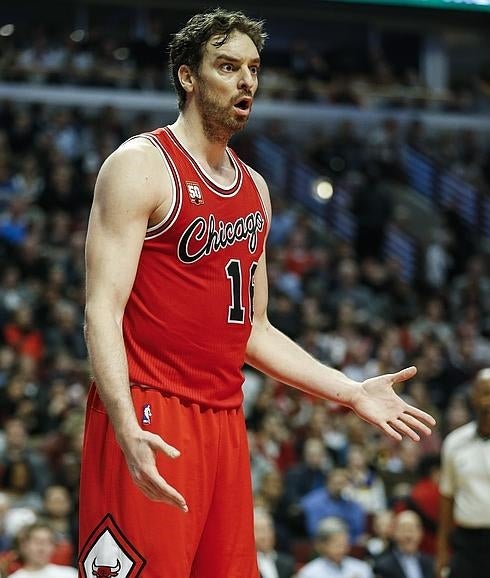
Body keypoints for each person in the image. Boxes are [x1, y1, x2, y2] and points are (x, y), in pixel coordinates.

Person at [78, 8, 435, 578]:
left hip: (224, 417)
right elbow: (101, 307)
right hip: (150, 408)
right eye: (227, 66)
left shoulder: (256, 190)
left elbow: (255, 332)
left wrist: (349, 392)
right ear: (187, 76)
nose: (246, 81)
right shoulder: (140, 165)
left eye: (253, 69)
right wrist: (123, 422)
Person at [436, 368, 490, 578]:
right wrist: (441, 553)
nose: (488, 402)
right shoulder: (454, 442)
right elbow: (447, 498)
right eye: (484, 393)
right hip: (468, 544)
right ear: (473, 397)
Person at [297, 516, 373, 578]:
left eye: (345, 544)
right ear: (323, 545)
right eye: (338, 545)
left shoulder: (361, 568)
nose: (342, 549)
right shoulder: (309, 573)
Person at [373, 510, 434, 578]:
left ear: (421, 533)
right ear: (394, 532)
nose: (408, 536)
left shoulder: (431, 563)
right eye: (404, 530)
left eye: (412, 530)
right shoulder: (382, 566)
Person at [7, 523, 77, 577]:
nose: (42, 548)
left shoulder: (70, 574)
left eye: (48, 542)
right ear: (24, 545)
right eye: (37, 542)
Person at [254, 507, 295, 578]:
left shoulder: (287, 563)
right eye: (260, 530)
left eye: (269, 529)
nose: (266, 535)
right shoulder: (245, 565)